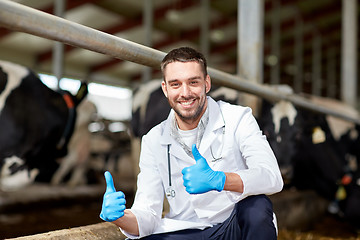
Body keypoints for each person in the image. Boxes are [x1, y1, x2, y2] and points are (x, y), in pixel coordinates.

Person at [100, 47, 284, 239]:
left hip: (232, 226)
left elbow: (271, 177)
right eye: (175, 84)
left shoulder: (238, 118)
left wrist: (221, 180)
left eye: (193, 82)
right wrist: (120, 218)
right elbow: (148, 213)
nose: (185, 93)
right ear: (165, 89)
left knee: (257, 207)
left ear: (207, 83)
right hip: (184, 231)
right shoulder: (153, 139)